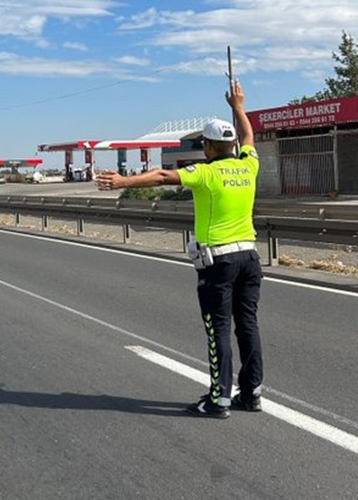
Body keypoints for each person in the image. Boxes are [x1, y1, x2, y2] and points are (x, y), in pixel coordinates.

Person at [96, 80, 263, 419]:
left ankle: (219, 400)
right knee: (247, 324)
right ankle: (252, 393)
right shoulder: (248, 165)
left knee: (218, 330)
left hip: (220, 261)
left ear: (209, 146)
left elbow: (161, 176)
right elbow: (249, 138)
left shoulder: (206, 173)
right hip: (251, 258)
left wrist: (123, 182)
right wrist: (240, 106)